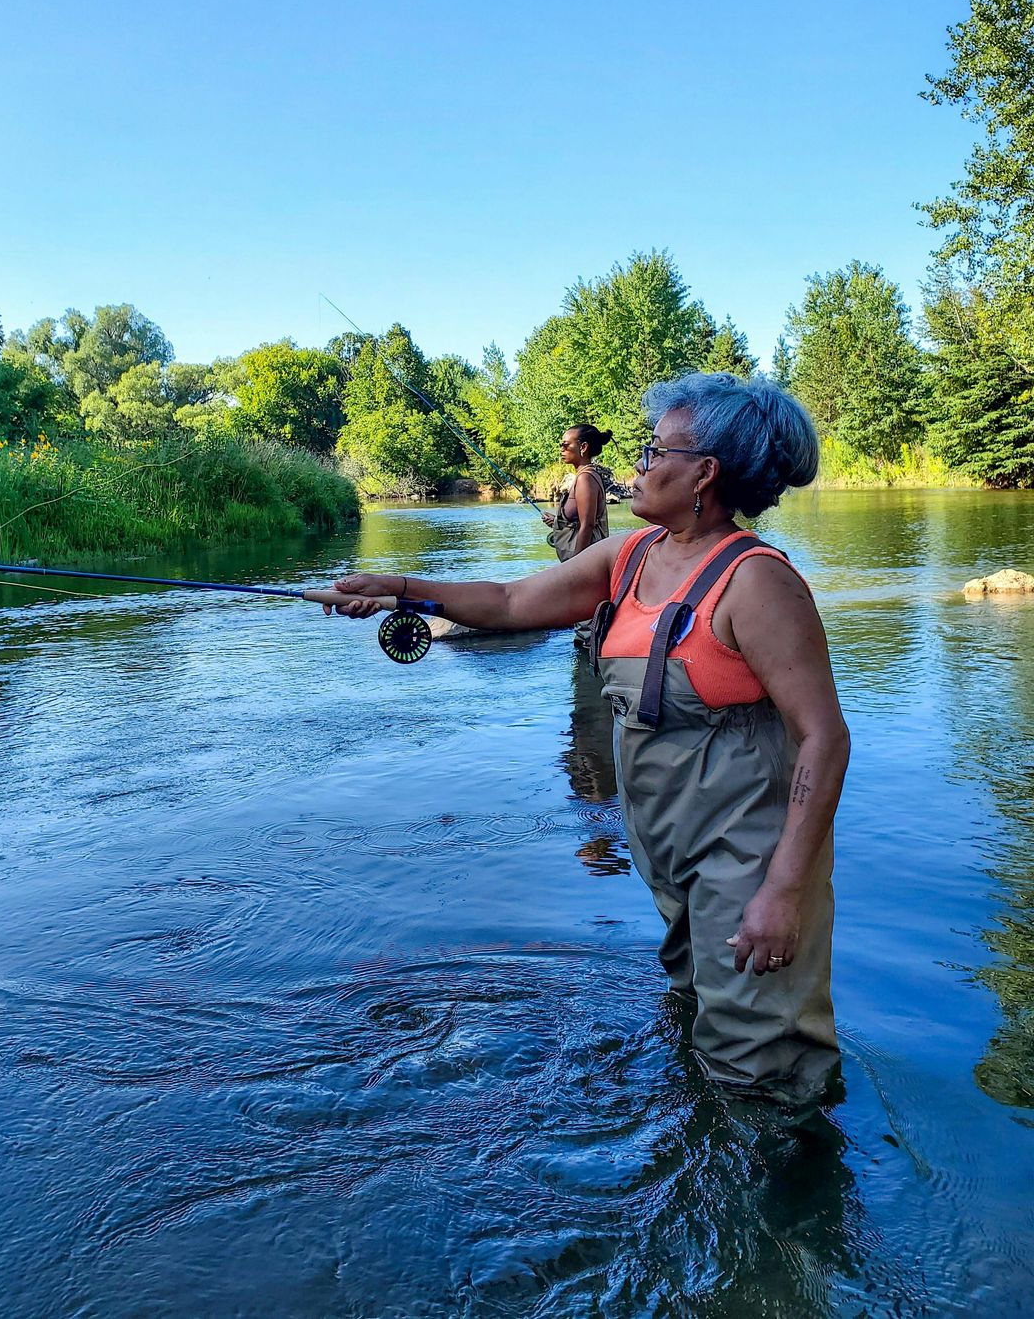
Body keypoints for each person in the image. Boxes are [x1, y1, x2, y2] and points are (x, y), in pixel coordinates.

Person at [327, 372, 850, 1102]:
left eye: (653, 450)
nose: (635, 464)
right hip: (672, 856)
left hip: (751, 864)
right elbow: (508, 602)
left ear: (704, 473)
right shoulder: (631, 557)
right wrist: (395, 587)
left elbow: (823, 737)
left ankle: (792, 1198)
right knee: (697, 1028)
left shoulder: (757, 583)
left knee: (767, 1078)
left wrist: (786, 891)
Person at [541, 424, 613, 647]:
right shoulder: (584, 477)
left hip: (587, 560)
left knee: (587, 620)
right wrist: (557, 522)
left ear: (583, 447)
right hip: (587, 558)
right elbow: (581, 519)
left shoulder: (585, 479)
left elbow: (588, 524)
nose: (561, 449)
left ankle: (589, 659)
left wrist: (579, 564)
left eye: (565, 445)